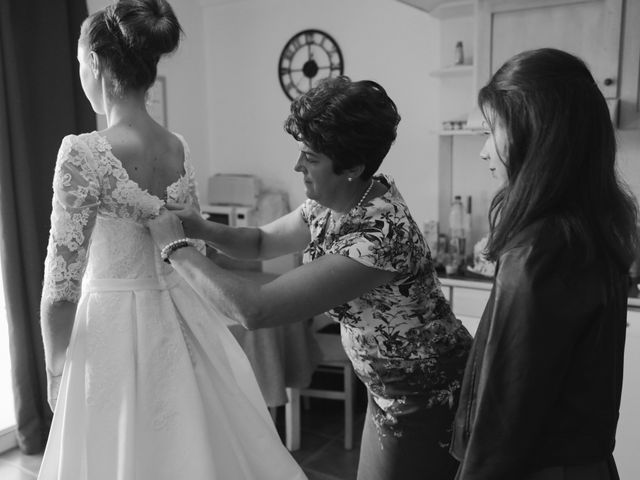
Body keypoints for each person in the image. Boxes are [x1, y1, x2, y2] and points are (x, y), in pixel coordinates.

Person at [148, 76, 473, 480]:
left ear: (352, 167)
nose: (297, 166)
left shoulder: (381, 235)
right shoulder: (336, 201)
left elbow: (256, 309)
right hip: (387, 389)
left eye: (310, 157)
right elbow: (261, 241)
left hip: (425, 395)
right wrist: (200, 227)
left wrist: (175, 249)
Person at [38, 1, 307, 479]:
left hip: (111, 333)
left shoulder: (81, 154)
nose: (80, 73)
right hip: (183, 321)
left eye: (80, 63)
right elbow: (196, 247)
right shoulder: (176, 146)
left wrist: (56, 371)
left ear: (97, 64)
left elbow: (62, 286)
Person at [450, 48, 639, 480]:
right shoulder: (590, 228)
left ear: (533, 134)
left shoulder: (539, 252)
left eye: (490, 130)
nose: (483, 151)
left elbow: (504, 419)